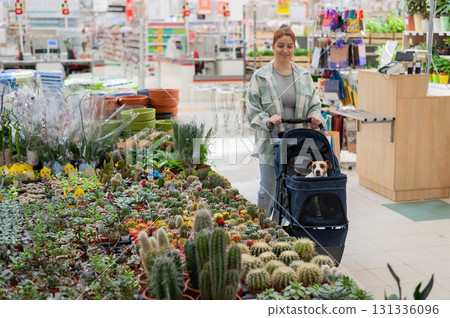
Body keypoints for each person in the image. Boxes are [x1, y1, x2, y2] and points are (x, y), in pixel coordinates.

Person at [246, 25, 324, 220]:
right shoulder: (260, 77)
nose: (285, 50)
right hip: (271, 144)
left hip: (300, 143)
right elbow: (252, 110)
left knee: (296, 189)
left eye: (289, 46)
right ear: (273, 46)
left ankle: (290, 233)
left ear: (294, 47)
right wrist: (266, 120)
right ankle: (261, 229)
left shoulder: (304, 76)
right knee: (268, 192)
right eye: (280, 45)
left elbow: (315, 104)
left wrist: (315, 117)